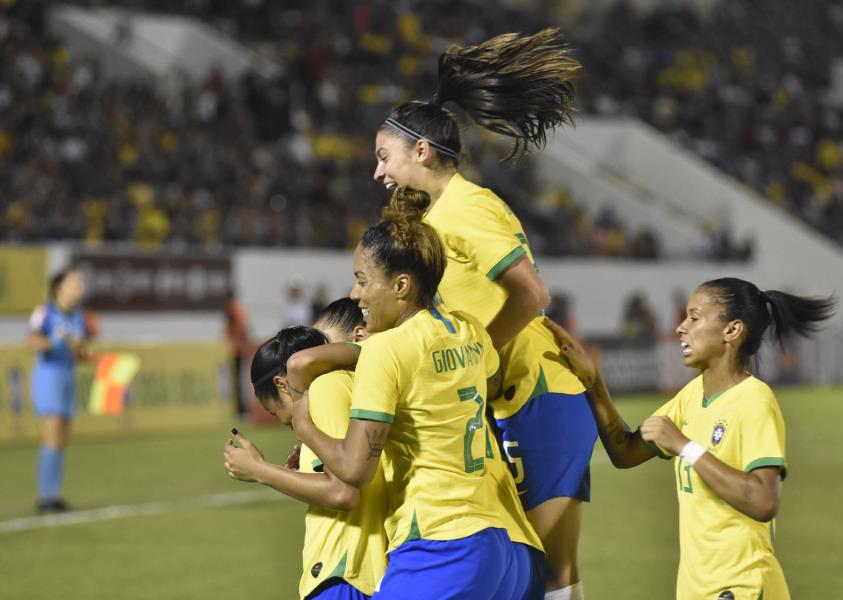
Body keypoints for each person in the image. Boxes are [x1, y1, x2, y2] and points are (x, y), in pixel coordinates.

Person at [371, 29, 595, 598]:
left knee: (539, 576)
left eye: (384, 156)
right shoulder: (442, 216)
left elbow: (532, 294)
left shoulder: (466, 208)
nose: (378, 172)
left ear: (420, 150)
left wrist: (484, 352)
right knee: (544, 577)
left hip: (535, 396)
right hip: (524, 399)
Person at [288, 188, 542, 599]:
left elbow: (354, 471)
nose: (357, 295)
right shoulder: (468, 329)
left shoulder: (384, 350)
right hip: (505, 545)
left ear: (401, 284)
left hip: (441, 542)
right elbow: (490, 384)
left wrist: (305, 427)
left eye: (362, 280)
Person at [546, 277, 836, 600]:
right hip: (696, 591)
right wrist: (592, 380)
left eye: (695, 318)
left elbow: (765, 500)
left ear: (732, 330)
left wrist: (686, 447)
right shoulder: (691, 396)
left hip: (741, 589)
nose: (682, 328)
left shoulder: (754, 400)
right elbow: (625, 452)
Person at [224, 319, 388, 600]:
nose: (285, 423)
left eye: (274, 411)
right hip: (363, 571)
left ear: (282, 385)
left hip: (342, 571)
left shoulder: (325, 389)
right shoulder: (359, 386)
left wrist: (260, 470)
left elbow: (343, 492)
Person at [27, 267, 91, 513]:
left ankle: (53, 494)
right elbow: (31, 343)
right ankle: (45, 496)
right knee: (52, 435)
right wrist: (53, 341)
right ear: (59, 287)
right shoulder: (44, 313)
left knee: (61, 438)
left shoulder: (78, 317)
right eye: (75, 282)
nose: (80, 287)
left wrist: (84, 354)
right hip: (48, 378)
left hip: (67, 377)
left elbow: (78, 352)